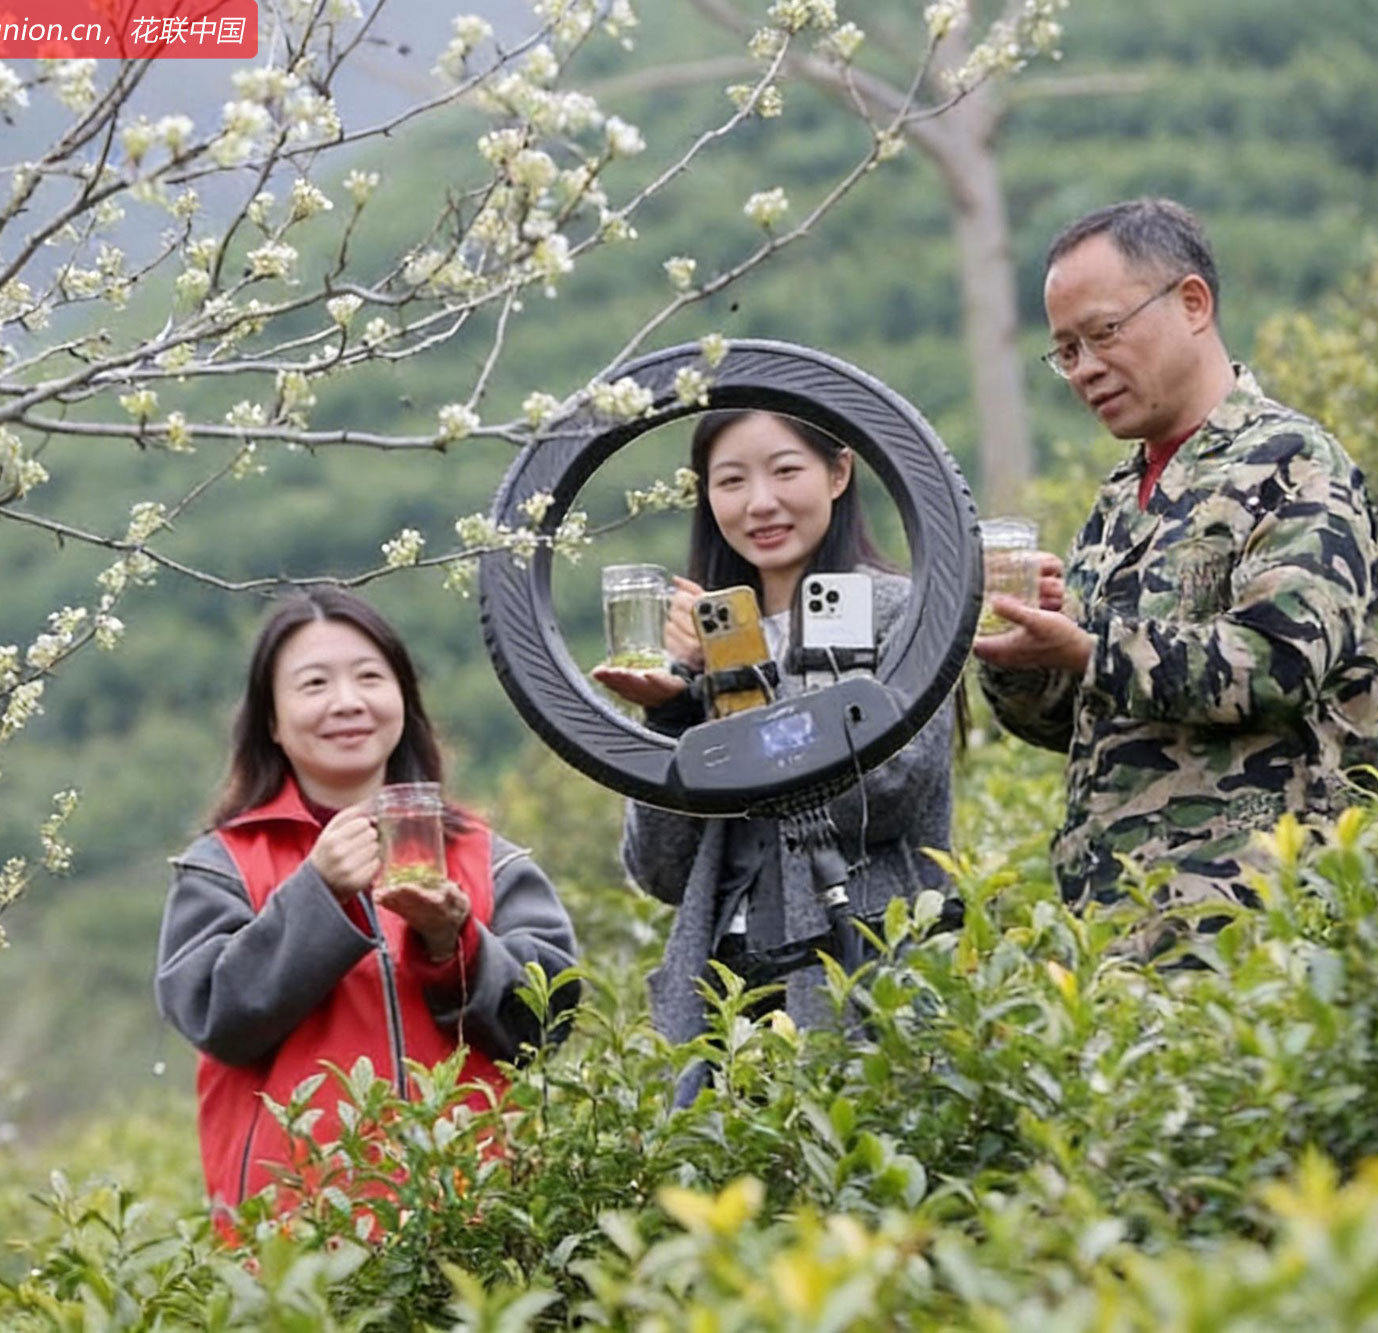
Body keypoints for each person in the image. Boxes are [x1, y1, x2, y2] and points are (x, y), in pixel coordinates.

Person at [974, 197, 1378, 950]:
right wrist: (1020, 658)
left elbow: (1279, 663)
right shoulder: (1117, 501)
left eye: (1102, 334)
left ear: (1192, 302)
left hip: (1252, 920)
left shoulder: (1290, 463)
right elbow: (1078, 724)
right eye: (1065, 351)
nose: (1085, 369)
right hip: (1116, 927)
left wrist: (1091, 649)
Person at [155, 589, 579, 1216]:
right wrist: (317, 893)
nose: (347, 703)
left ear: (403, 699)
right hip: (294, 1242)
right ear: (270, 720)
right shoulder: (224, 866)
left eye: (370, 678)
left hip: (477, 1225)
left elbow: (545, 1024)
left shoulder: (490, 860)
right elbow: (218, 1018)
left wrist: (453, 940)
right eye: (314, 684)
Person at [593, 410, 953, 1088]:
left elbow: (882, 795)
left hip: (864, 983)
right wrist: (671, 706)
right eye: (730, 481)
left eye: (786, 470)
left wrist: (749, 670)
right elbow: (662, 869)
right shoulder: (701, 644)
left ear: (839, 471)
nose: (760, 502)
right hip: (726, 995)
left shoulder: (900, 611)